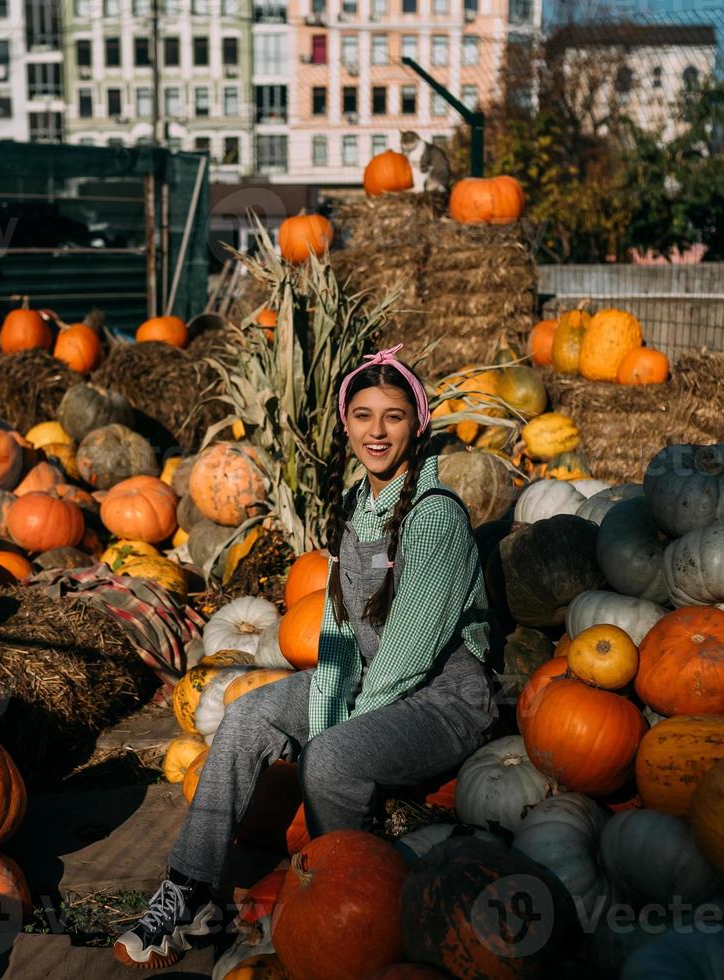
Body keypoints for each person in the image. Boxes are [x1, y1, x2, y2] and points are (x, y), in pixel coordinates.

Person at [114, 344, 497, 969]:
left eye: (394, 416)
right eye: (364, 415)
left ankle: (346, 904)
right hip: (374, 673)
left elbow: (410, 651)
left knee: (332, 759)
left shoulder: (434, 518)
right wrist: (324, 702)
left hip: (442, 694)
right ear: (345, 423)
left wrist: (329, 734)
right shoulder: (356, 505)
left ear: (418, 424)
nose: (377, 431)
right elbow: (342, 625)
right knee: (246, 718)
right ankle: (191, 890)